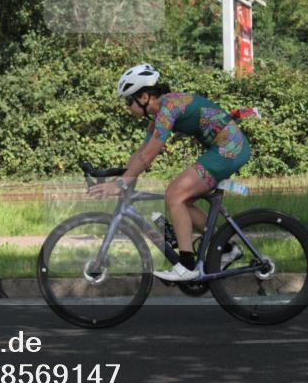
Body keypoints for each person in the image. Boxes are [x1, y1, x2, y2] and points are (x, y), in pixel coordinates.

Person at [88, 63, 251, 282]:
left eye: (129, 101)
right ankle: (227, 248)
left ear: (144, 96)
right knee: (182, 200)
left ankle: (186, 266)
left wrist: (120, 184)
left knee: (174, 193)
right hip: (224, 148)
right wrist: (123, 178)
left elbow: (149, 156)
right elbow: (141, 153)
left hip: (229, 148)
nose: (128, 107)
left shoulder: (168, 109)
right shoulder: (159, 114)